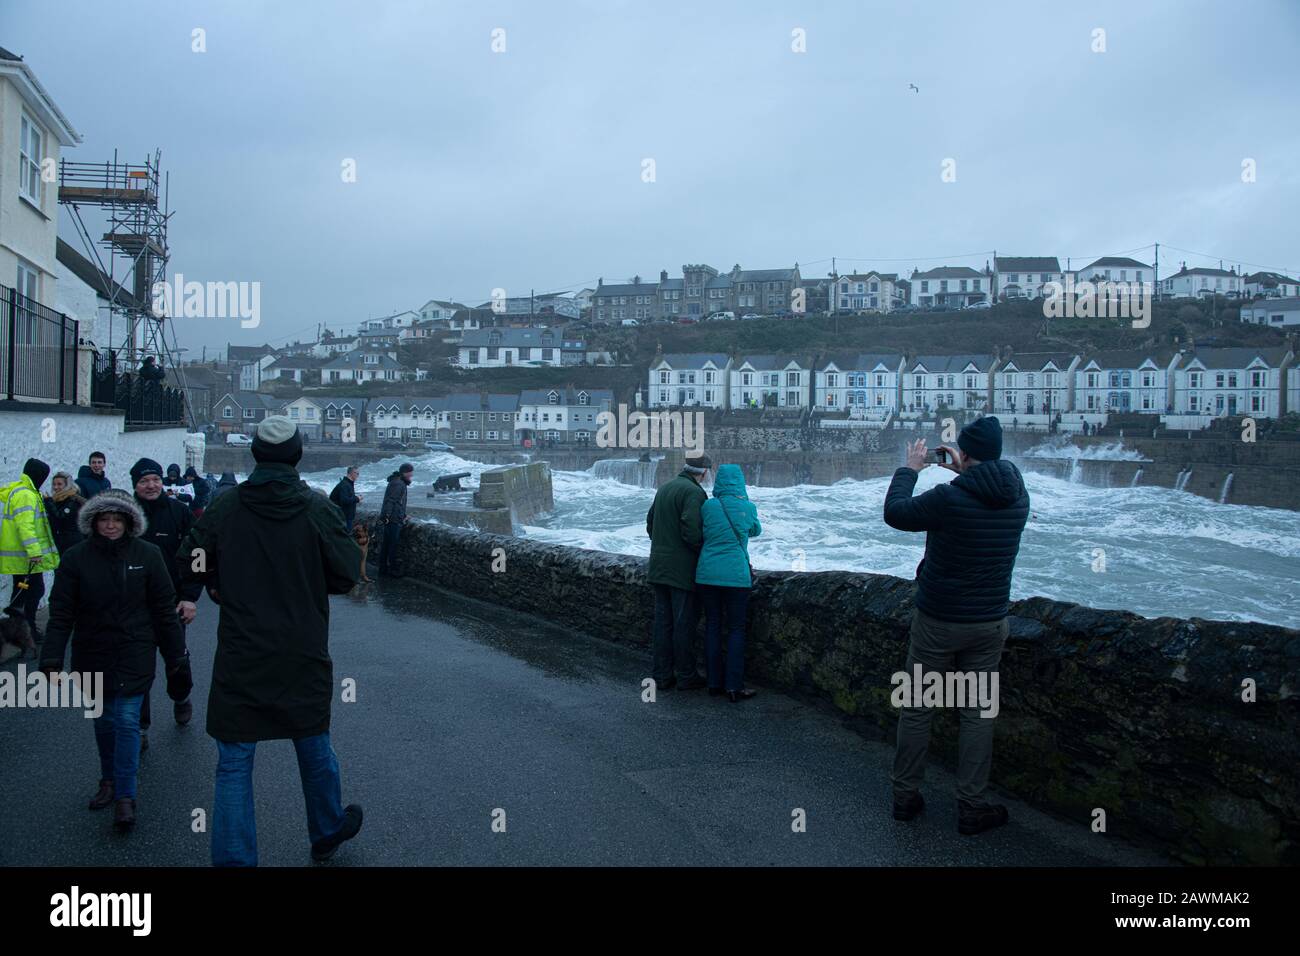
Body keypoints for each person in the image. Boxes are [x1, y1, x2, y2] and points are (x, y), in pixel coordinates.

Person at [177, 416, 363, 866]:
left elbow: (191, 562)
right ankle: (325, 830)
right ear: (297, 454)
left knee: (235, 761)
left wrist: (219, 582)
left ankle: (236, 861)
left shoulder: (226, 506)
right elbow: (345, 573)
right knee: (313, 743)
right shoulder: (317, 508)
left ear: (255, 454)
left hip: (242, 651)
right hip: (302, 650)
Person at [883, 416, 1030, 836]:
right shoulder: (1019, 497)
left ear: (963, 453)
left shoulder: (948, 499)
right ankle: (971, 805)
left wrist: (911, 469)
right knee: (978, 714)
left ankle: (905, 797)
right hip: (988, 622)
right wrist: (966, 470)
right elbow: (987, 489)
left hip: (938, 621)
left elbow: (896, 513)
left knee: (917, 708)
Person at [39, 489, 191, 832]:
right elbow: (61, 612)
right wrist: (51, 658)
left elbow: (164, 611)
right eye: (104, 519)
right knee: (104, 722)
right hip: (92, 651)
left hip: (135, 650)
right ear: (93, 523)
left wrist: (175, 655)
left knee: (126, 722)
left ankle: (125, 795)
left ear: (128, 522)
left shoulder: (148, 555)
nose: (110, 526)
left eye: (116, 519)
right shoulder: (76, 558)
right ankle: (108, 779)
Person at [131, 458, 203, 744]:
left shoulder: (179, 512)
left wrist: (190, 597)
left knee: (176, 660)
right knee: (137, 667)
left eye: (155, 480)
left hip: (172, 603)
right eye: (144, 481)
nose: (151, 486)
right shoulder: (125, 515)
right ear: (135, 485)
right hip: (133, 606)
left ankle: (181, 696)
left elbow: (198, 555)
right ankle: (139, 726)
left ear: (163, 482)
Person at [694, 463, 761, 702]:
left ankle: (713, 682)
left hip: (707, 575)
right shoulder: (748, 507)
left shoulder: (708, 506)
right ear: (740, 482)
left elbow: (701, 531)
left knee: (712, 626)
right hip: (736, 577)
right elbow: (755, 531)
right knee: (735, 630)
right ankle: (733, 686)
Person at [645, 454, 709, 691]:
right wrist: (701, 551)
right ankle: (686, 675)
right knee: (683, 624)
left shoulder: (665, 488)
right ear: (703, 473)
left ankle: (661, 675)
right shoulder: (694, 493)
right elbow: (692, 530)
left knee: (662, 624)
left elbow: (650, 522)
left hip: (658, 567)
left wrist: (663, 545)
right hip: (680, 571)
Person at [1, 459, 59, 642]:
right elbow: (25, 526)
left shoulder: (24, 492)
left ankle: (19, 631)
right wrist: (34, 552)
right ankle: (26, 631)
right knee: (30, 593)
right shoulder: (26, 495)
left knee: (24, 594)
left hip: (23, 558)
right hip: (26, 558)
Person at [378, 463, 413, 577]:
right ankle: (391, 570)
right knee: (391, 546)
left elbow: (398, 503)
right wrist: (387, 517)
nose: (411, 475)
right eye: (410, 472)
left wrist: (403, 515)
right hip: (393, 520)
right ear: (405, 472)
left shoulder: (397, 482)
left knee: (387, 545)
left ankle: (383, 569)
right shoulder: (399, 484)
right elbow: (391, 501)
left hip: (394, 518)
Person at [45, 471, 85, 555]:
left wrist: (49, 502)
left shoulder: (72, 500)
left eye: (59, 484)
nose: (56, 487)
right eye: (54, 484)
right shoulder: (57, 499)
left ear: (67, 485)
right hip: (62, 542)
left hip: (72, 543)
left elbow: (61, 517)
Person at [329, 466, 363, 532]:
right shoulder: (344, 485)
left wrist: (356, 499)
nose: (358, 475)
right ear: (351, 473)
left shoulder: (348, 484)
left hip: (345, 516)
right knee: (346, 535)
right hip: (343, 517)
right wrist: (357, 498)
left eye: (358, 474)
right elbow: (344, 500)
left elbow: (346, 497)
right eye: (357, 473)